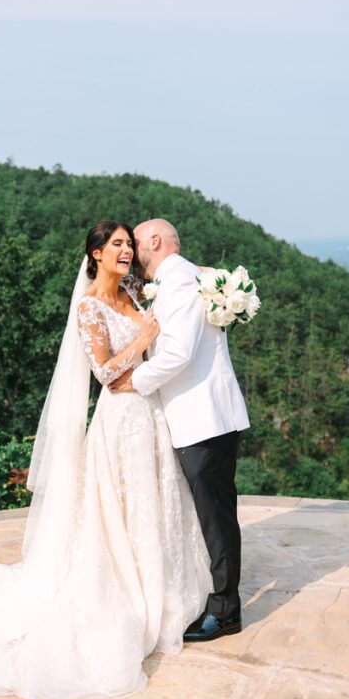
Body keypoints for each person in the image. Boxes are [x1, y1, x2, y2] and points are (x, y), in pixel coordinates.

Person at [0, 221, 213, 699]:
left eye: (129, 244)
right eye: (117, 245)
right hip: (119, 421)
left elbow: (187, 278)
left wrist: (222, 286)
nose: (126, 252)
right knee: (118, 514)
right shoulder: (90, 307)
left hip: (152, 417)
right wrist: (142, 339)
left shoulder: (138, 292)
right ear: (96, 254)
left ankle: (163, 588)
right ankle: (129, 595)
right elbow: (104, 371)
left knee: (157, 503)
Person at [111, 218, 250, 641]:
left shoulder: (178, 282)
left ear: (154, 240)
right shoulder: (187, 275)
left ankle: (226, 610)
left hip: (202, 418)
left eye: (136, 242)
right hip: (203, 416)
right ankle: (218, 592)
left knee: (216, 515)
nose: (133, 251)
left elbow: (178, 353)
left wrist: (133, 382)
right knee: (211, 513)